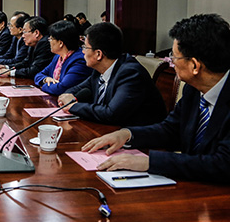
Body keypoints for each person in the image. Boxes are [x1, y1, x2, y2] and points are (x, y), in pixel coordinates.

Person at [82, 14, 230, 183]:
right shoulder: (194, 90)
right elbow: (170, 130)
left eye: (174, 57)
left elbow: (222, 164)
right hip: (193, 184)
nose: (172, 62)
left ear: (194, 66)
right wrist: (127, 134)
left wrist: (149, 162)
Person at [58, 22, 167, 126]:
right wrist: (67, 97)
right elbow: (76, 89)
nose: (83, 52)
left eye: (85, 48)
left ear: (98, 54)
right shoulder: (99, 70)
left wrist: (73, 106)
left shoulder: (130, 74)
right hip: (109, 129)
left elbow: (111, 114)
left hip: (138, 134)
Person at [34, 20, 93, 95]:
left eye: (51, 39)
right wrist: (45, 79)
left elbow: (62, 88)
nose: (49, 42)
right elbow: (38, 75)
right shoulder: (58, 57)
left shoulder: (79, 60)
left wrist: (44, 86)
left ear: (61, 43)